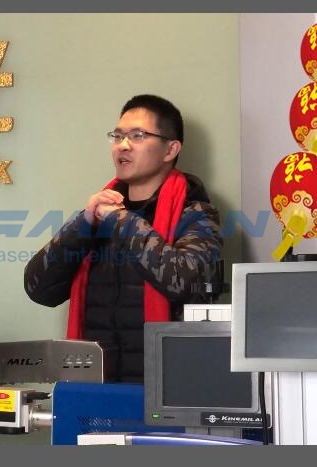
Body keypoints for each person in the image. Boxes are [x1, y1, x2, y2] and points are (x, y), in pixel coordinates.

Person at [24, 94, 223, 383]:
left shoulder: (196, 213)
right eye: (117, 136)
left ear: (171, 149)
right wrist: (83, 224)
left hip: (168, 388)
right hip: (96, 387)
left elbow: (185, 282)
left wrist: (122, 221)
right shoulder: (98, 215)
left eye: (138, 135)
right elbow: (38, 288)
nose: (123, 145)